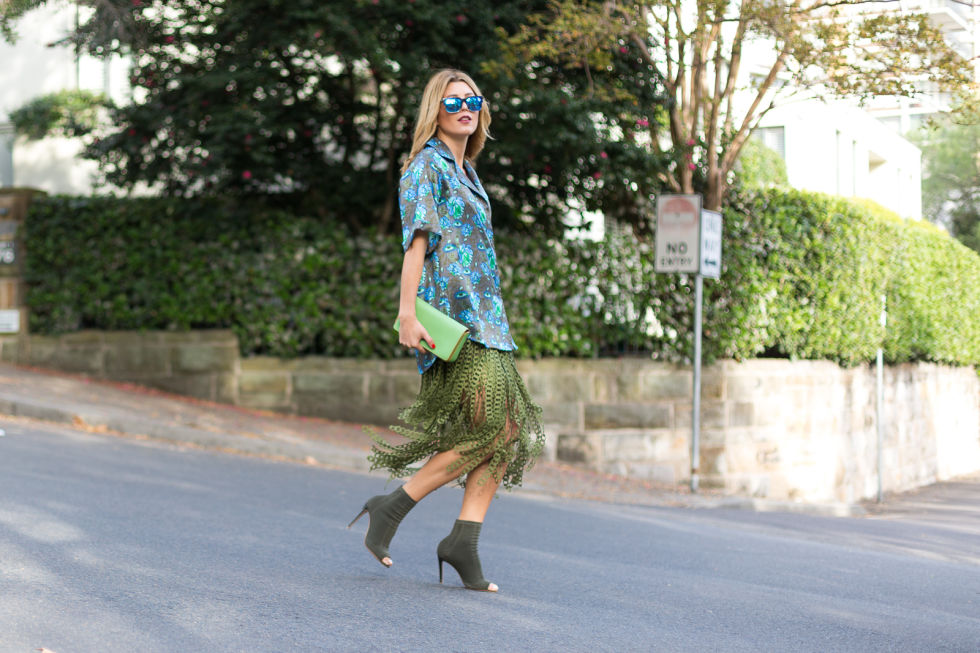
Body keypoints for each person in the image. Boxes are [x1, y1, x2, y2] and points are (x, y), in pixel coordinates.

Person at [348, 69, 545, 593]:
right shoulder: (424, 168)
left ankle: (464, 540)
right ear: (435, 109)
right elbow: (415, 244)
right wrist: (407, 314)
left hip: (489, 321)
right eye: (454, 100)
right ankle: (393, 506)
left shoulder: (469, 171)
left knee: (505, 433)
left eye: (473, 100)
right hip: (454, 323)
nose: (465, 107)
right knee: (489, 428)